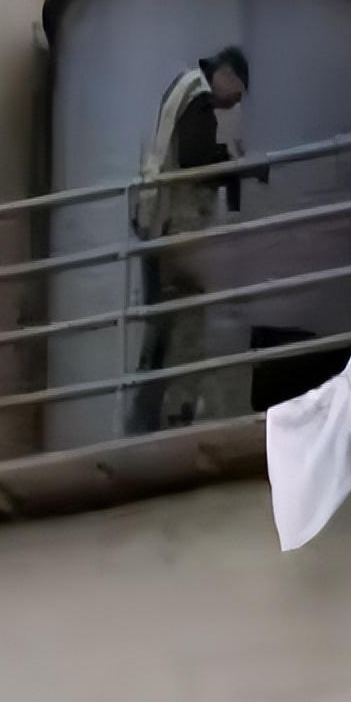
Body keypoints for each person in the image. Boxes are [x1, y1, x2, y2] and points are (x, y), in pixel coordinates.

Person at [130, 46, 265, 433]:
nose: (234, 103)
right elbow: (196, 157)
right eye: (237, 94)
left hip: (158, 225)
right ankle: (177, 413)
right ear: (227, 75)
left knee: (162, 327)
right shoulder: (199, 97)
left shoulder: (183, 90)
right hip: (179, 228)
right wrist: (239, 167)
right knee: (189, 322)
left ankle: (146, 417)